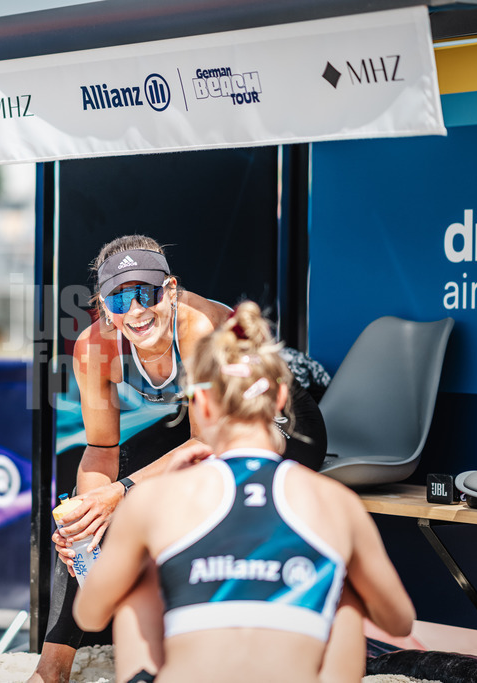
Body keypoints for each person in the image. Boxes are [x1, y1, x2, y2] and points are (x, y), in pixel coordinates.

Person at [29, 235, 328, 682]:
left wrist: (121, 493)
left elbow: (205, 446)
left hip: (279, 421)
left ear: (169, 289)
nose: (135, 310)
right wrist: (86, 527)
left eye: (145, 294)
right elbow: (100, 451)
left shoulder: (199, 325)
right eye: (119, 298)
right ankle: (51, 669)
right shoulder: (93, 347)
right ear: (104, 305)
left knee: (189, 486)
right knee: (80, 512)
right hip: (201, 426)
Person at [74, 300, 415, 682]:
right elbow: (399, 622)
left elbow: (90, 614)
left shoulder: (155, 501)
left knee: (139, 586)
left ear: (199, 405)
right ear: (281, 401)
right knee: (345, 597)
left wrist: (146, 561)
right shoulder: (336, 502)